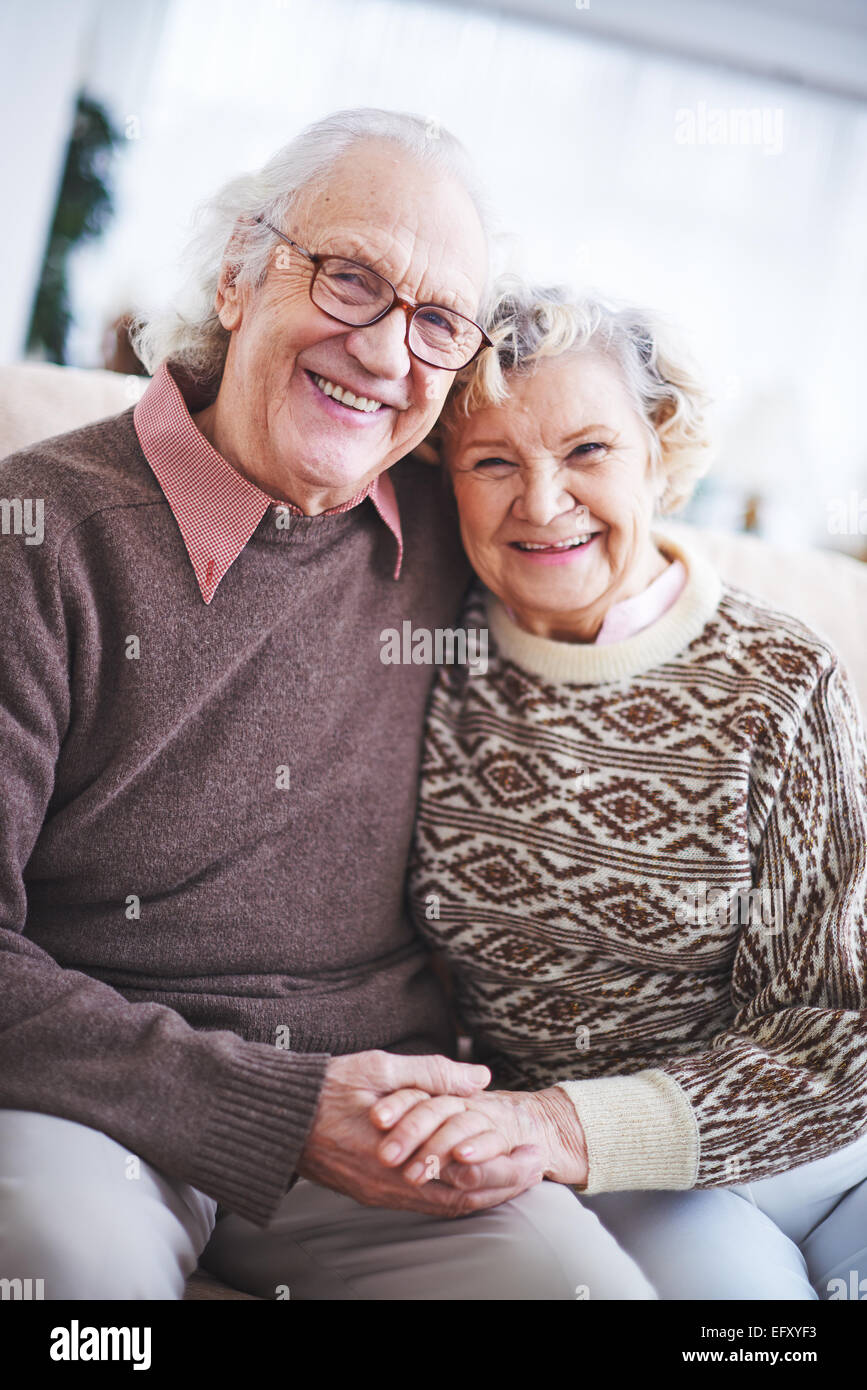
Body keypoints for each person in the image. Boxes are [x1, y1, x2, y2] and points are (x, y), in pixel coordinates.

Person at [0, 113, 655, 1301]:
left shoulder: (462, 528)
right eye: (351, 278)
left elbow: (623, 573)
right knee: (68, 1278)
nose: (388, 355)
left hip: (386, 1104)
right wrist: (276, 1109)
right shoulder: (37, 538)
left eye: (438, 321)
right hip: (87, 1095)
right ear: (240, 273)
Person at [373, 278, 867, 1299]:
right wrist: (561, 1128)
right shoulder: (425, 654)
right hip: (639, 1183)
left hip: (833, 1149)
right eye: (494, 461)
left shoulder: (780, 677)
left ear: (660, 448)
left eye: (588, 450)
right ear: (443, 479)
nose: (543, 501)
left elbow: (839, 1028)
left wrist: (557, 1122)